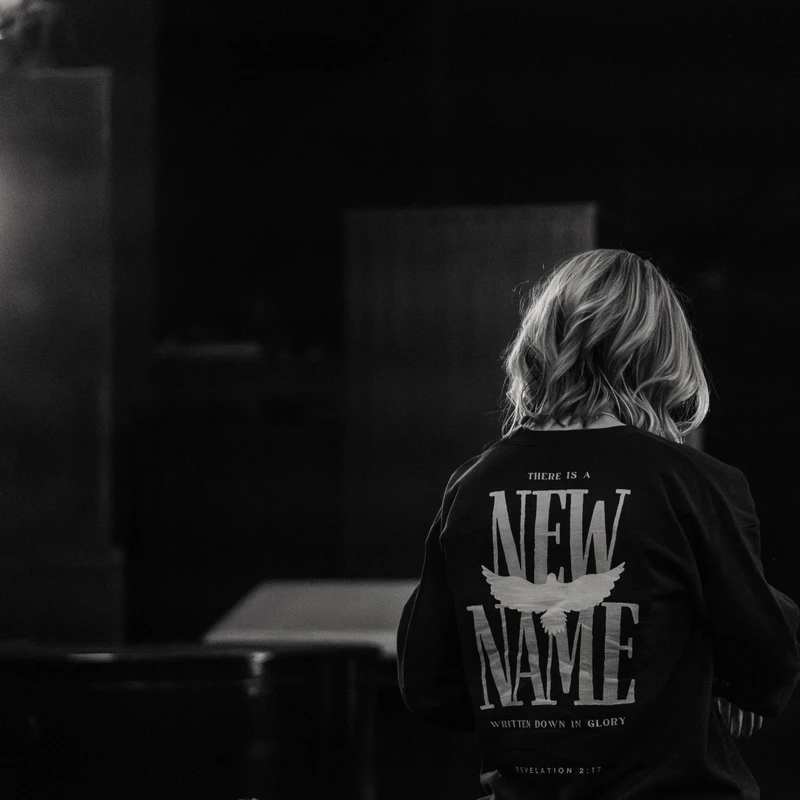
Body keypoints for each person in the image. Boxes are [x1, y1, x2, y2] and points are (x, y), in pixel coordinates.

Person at [396, 249, 800, 799]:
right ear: (662, 353)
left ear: (542, 343)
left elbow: (429, 689)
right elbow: (768, 671)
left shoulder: (469, 487)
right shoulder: (694, 483)